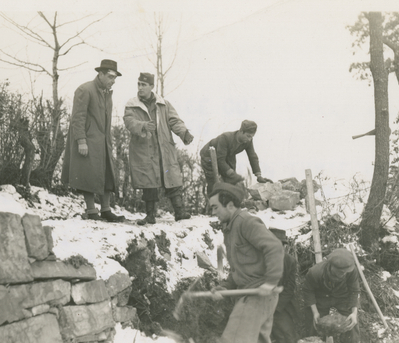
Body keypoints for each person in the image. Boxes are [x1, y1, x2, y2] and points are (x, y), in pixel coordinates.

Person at [208, 183, 284, 343]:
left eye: (215, 207)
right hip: (255, 293)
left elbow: (275, 247)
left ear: (230, 205)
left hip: (258, 295)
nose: (213, 213)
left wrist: (270, 282)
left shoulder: (246, 222)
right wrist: (224, 286)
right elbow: (240, 270)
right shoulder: (230, 228)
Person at [124, 72, 194, 225]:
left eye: (144, 85)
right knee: (149, 181)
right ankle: (150, 215)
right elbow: (129, 122)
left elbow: (174, 121)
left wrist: (184, 133)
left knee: (172, 177)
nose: (140, 88)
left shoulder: (164, 104)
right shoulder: (132, 104)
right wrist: (142, 126)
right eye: (139, 84)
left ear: (151, 86)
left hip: (163, 148)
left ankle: (179, 212)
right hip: (144, 150)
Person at [62, 59, 125, 222]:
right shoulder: (85, 89)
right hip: (89, 141)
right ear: (101, 74)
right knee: (87, 175)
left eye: (115, 79)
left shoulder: (106, 94)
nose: (113, 81)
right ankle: (91, 210)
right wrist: (81, 141)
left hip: (103, 142)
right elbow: (78, 117)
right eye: (110, 77)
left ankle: (106, 210)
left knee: (106, 174)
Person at [301, 248, 361, 343]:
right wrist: (315, 312)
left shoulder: (351, 270)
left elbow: (354, 291)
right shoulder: (315, 272)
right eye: (341, 272)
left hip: (341, 296)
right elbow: (308, 291)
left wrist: (354, 313)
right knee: (314, 322)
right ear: (331, 266)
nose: (344, 274)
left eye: (345, 272)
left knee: (351, 322)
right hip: (321, 296)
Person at [200, 120, 273, 195]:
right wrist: (232, 174)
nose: (249, 139)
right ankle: (212, 203)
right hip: (209, 155)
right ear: (241, 131)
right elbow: (220, 159)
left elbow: (252, 156)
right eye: (248, 136)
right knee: (214, 183)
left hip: (228, 155)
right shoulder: (225, 137)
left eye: (251, 137)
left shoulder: (248, 141)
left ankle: (227, 203)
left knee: (231, 182)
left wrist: (259, 176)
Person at [268, 228, 299, 343]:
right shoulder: (257, 261)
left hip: (280, 305)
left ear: (284, 246)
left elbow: (289, 288)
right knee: (273, 336)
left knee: (288, 335)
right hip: (260, 305)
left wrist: (276, 307)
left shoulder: (289, 261)